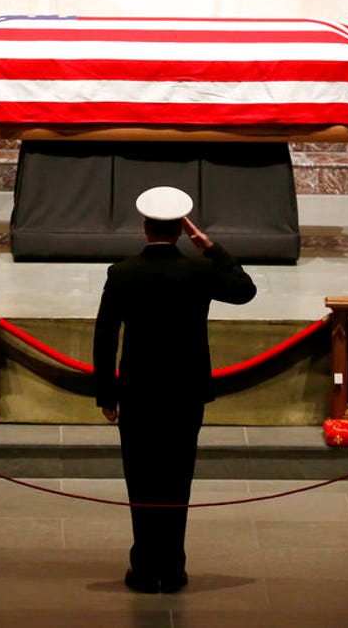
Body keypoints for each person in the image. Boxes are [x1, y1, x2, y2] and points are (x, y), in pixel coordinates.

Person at [93, 186, 257, 593]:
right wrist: (209, 246)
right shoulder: (200, 271)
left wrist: (106, 395)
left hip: (138, 392)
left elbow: (104, 337)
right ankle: (173, 566)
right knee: (177, 479)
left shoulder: (122, 272)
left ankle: (145, 568)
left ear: (144, 227)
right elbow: (245, 289)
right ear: (182, 231)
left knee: (142, 480)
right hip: (185, 393)